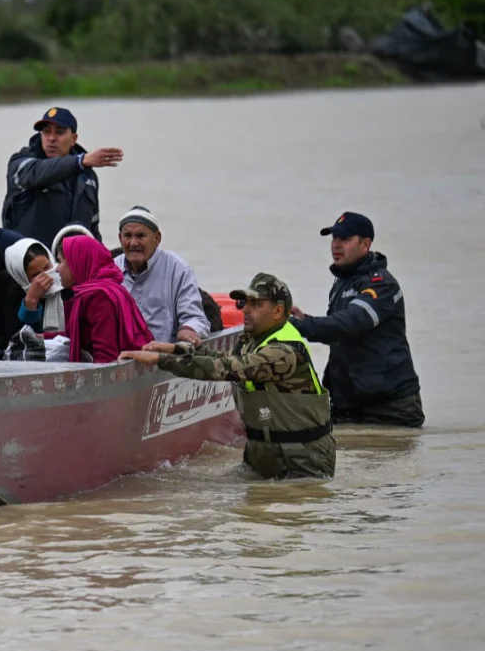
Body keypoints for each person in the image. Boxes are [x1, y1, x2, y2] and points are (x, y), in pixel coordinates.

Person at [121, 274, 336, 480]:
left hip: (303, 459)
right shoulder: (256, 339)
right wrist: (175, 349)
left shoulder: (283, 351)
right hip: (265, 453)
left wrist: (160, 360)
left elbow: (226, 368)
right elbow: (222, 357)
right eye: (245, 303)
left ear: (278, 310)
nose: (246, 310)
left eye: (256, 304)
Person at [290, 212, 423, 427]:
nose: (336, 245)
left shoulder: (382, 285)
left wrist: (297, 325)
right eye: (334, 238)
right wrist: (304, 319)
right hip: (349, 406)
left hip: (391, 409)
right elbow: (338, 332)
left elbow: (349, 324)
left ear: (365, 244)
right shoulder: (342, 282)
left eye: (345, 239)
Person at [1, 107, 123, 247]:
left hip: (72, 264)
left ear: (73, 139)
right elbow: (39, 172)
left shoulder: (88, 177)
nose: (52, 138)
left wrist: (102, 262)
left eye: (59, 132)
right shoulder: (21, 163)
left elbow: (92, 229)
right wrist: (80, 161)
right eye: (46, 132)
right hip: (30, 264)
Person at [113, 206, 211, 346]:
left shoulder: (178, 269)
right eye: (127, 236)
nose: (133, 243)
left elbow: (196, 318)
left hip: (162, 359)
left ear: (157, 238)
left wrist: (187, 330)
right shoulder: (111, 269)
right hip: (120, 358)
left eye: (140, 236)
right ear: (119, 238)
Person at [57, 235, 154, 363]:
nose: (57, 269)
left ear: (77, 262)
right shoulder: (100, 289)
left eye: (60, 261)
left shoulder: (98, 297)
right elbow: (73, 333)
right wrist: (40, 337)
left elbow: (105, 356)